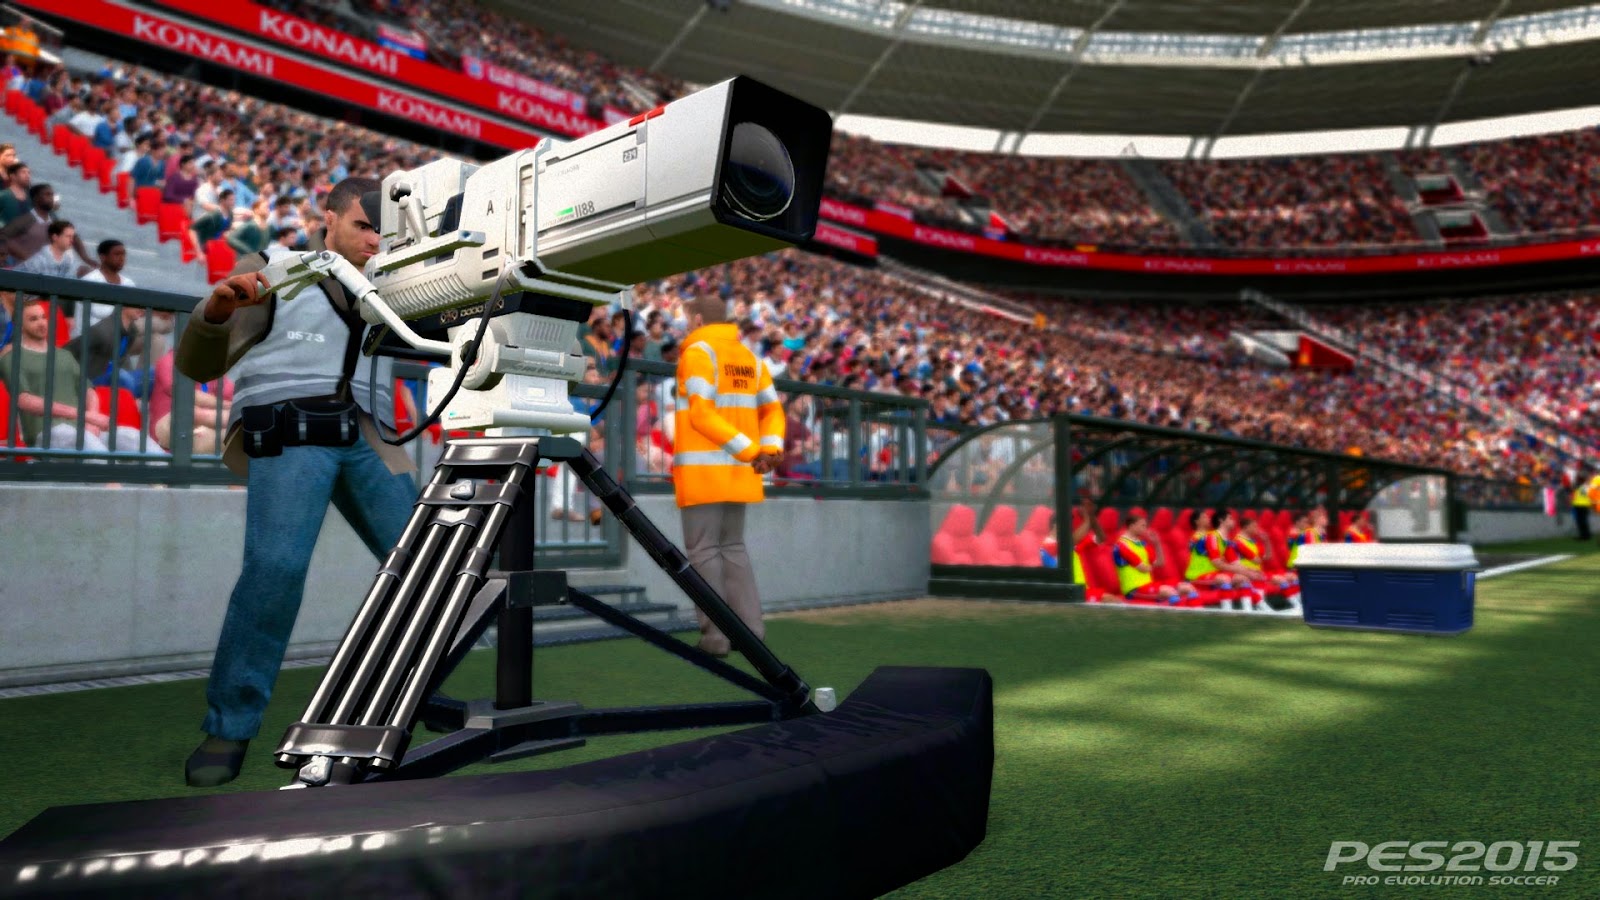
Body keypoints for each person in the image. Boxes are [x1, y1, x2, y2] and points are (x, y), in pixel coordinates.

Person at [173, 176, 417, 787]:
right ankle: (229, 726)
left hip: (372, 438)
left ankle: (401, 699)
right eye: (363, 226)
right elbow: (197, 364)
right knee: (275, 571)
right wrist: (216, 311)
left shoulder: (401, 281)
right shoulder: (272, 268)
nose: (375, 240)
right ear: (327, 217)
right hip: (291, 429)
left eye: (382, 230)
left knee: (427, 568)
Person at [673, 293, 784, 658]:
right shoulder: (750, 358)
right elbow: (773, 410)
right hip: (742, 473)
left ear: (698, 320)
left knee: (703, 551)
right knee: (733, 548)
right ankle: (751, 632)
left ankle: (716, 638)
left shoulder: (698, 353)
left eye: (687, 319)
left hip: (704, 473)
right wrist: (769, 450)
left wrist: (751, 451)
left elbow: (701, 414)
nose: (685, 325)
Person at [1572, 473, 1592, 541]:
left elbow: (1578, 494)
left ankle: (1584, 536)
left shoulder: (1581, 486)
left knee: (1581, 521)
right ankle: (1586, 535)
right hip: (1583, 505)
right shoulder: (1585, 486)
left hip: (1580, 505)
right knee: (1583, 521)